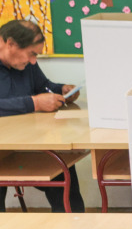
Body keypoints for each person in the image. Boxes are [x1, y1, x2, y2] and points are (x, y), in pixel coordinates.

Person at [0, 19, 85, 212]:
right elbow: (35, 99)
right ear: (10, 44)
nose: (33, 61)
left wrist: (61, 90)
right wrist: (35, 103)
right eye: (32, 54)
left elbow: (43, 87)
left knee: (63, 164)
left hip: (28, 142)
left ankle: (75, 223)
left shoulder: (27, 64)